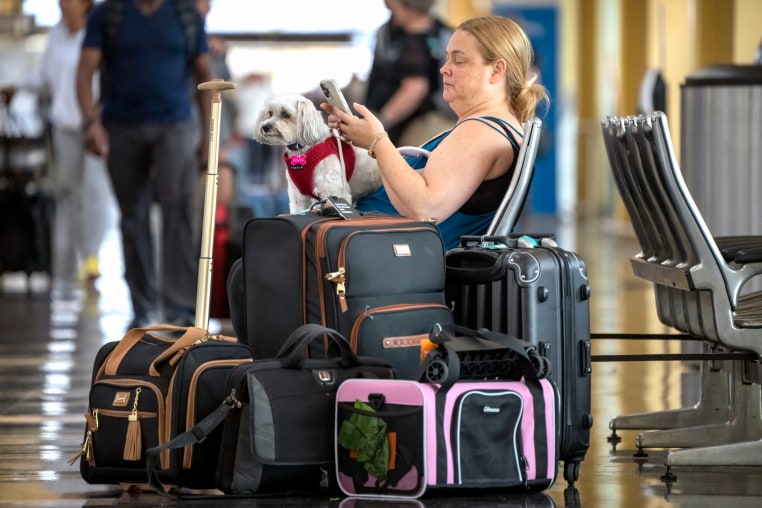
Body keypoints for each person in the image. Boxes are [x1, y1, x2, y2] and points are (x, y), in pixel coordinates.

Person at [323, 16, 548, 250]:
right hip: (382, 252)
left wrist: (378, 142)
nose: (444, 69)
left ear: (496, 70)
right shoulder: (493, 127)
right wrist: (368, 141)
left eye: (458, 61)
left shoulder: (481, 131)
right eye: (447, 58)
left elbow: (424, 207)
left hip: (387, 263)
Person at [76, 0, 213, 328]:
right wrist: (90, 123)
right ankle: (142, 306)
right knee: (132, 216)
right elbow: (85, 71)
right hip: (121, 128)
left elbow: (205, 74)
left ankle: (180, 307)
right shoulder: (108, 13)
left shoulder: (185, 14)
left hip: (175, 126)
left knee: (177, 209)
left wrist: (209, 136)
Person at [13, 0, 116, 300]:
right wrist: (17, 88)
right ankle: (71, 258)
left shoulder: (98, 29)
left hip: (95, 124)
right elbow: (45, 77)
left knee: (94, 191)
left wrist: (99, 116)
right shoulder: (57, 34)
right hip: (64, 125)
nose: (63, 4)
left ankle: (92, 258)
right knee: (68, 192)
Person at [365, 0, 454, 146]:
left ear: (408, 6)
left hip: (415, 126)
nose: (386, 4)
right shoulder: (441, 31)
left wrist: (380, 123)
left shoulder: (415, 41)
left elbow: (414, 89)